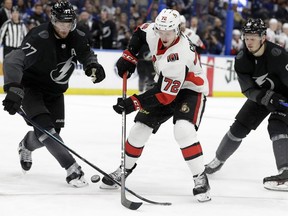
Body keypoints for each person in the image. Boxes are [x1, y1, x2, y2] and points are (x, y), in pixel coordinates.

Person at [100, 9, 211, 202]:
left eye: (168, 32)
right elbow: (140, 32)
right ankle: (124, 169)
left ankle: (200, 177)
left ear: (178, 30)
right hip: (165, 85)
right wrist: (129, 56)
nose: (164, 36)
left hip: (190, 91)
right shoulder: (156, 31)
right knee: (138, 129)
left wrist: (133, 102)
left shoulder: (180, 53)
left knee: (183, 131)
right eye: (161, 31)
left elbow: (165, 96)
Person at [2, 1, 105, 187]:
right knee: (46, 132)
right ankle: (72, 169)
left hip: (55, 93)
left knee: (50, 135)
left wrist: (92, 66)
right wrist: (14, 88)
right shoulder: (39, 36)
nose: (65, 28)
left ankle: (26, 144)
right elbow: (12, 60)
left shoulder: (79, 36)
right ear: (52, 20)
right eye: (61, 24)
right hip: (32, 89)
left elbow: (86, 54)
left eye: (69, 24)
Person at [205, 18, 288, 191]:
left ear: (263, 37)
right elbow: (248, 89)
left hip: (284, 97)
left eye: (253, 38)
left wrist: (281, 100)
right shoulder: (242, 59)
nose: (249, 42)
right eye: (246, 37)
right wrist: (265, 98)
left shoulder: (279, 55)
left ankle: (286, 172)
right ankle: (217, 161)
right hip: (262, 97)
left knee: (276, 126)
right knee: (238, 127)